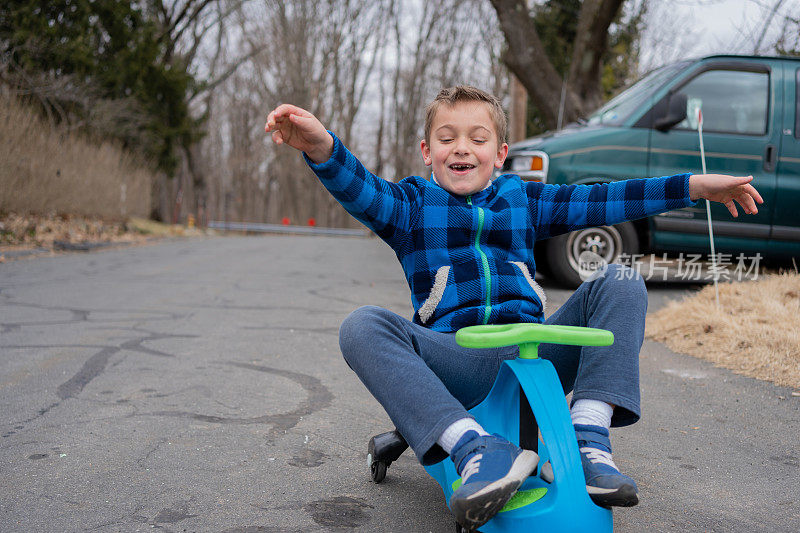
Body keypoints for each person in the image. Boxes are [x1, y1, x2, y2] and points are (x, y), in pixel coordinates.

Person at [264, 86, 763, 530]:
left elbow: (606, 198)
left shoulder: (523, 200)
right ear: (427, 152)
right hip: (457, 358)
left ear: (500, 153)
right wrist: (321, 146)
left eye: (478, 138)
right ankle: (477, 449)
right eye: (447, 137)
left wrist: (696, 187)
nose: (462, 147)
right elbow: (363, 190)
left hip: (533, 353)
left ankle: (589, 437)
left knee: (623, 278)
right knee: (362, 325)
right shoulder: (411, 206)